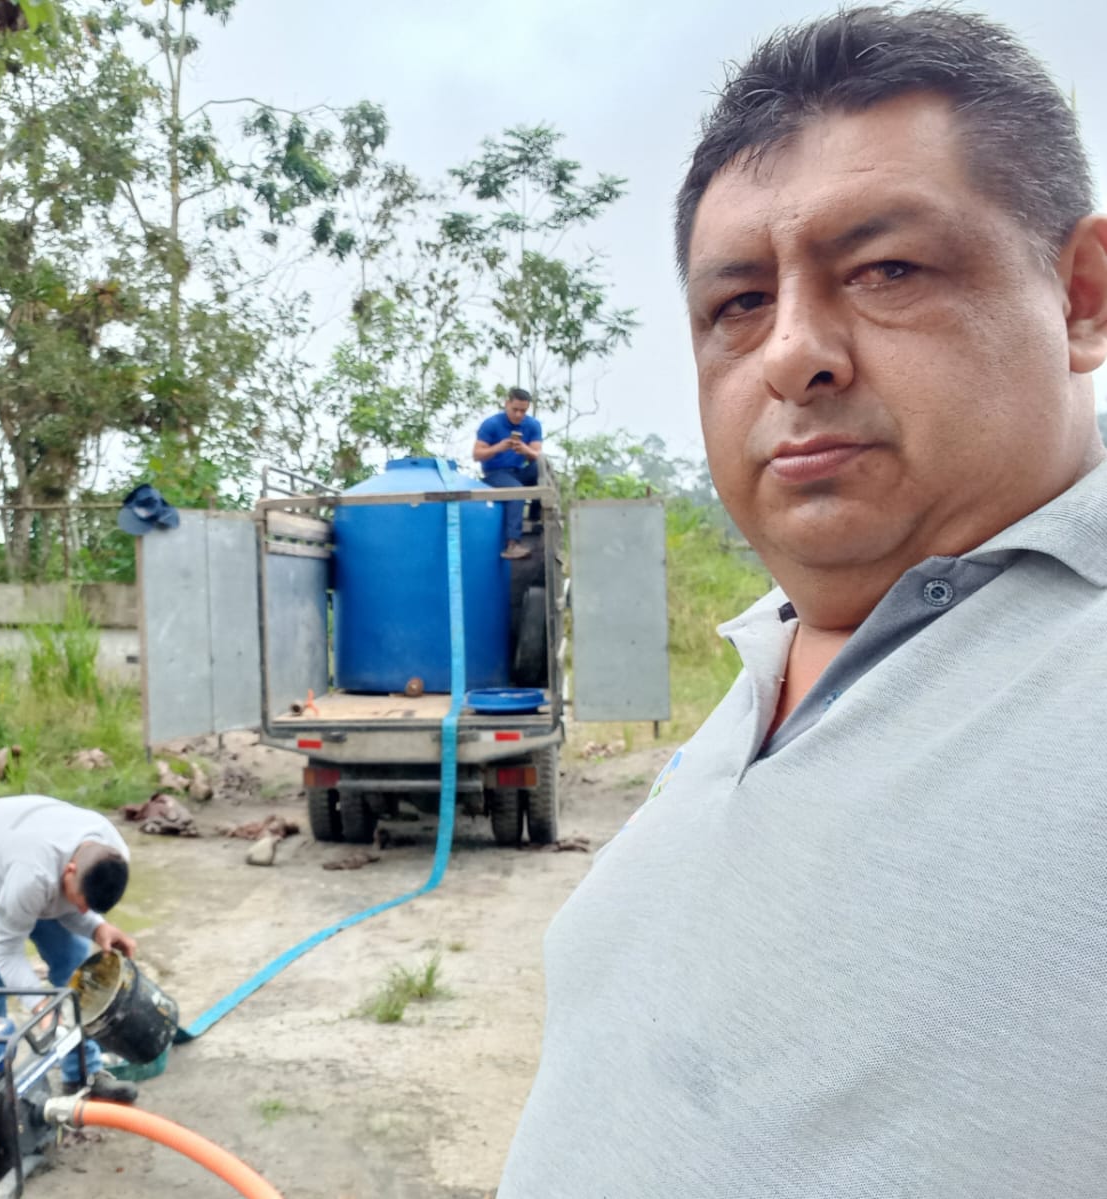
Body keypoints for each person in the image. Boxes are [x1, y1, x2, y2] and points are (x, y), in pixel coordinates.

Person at [499, 7, 1107, 1196]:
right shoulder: (769, 660)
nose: (790, 353)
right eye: (738, 303)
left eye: (887, 270)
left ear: (1080, 297)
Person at [0, 794, 141, 1104]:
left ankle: (83, 1074)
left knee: (72, 960)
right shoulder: (34, 875)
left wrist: (98, 928)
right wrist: (41, 1008)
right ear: (69, 871)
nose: (82, 912)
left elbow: (74, 909)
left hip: (15, 858)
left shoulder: (113, 852)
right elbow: (6, 950)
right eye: (80, 903)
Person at [473, 387, 544, 559]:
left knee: (541, 468)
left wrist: (525, 450)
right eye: (515, 410)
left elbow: (537, 455)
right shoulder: (491, 424)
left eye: (523, 411)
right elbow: (476, 454)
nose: (519, 415)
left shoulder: (533, 425)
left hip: (518, 471)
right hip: (495, 473)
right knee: (516, 491)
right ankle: (512, 544)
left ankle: (536, 513)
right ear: (507, 404)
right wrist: (498, 447)